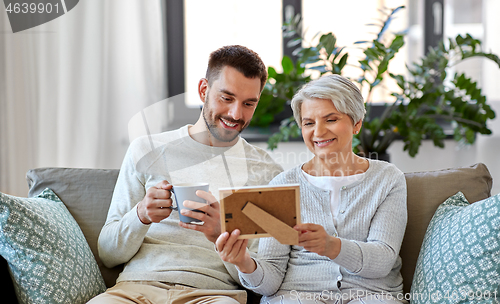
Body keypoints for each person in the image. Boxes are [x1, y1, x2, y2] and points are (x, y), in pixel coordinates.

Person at [88, 45, 283, 304]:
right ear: (204, 90)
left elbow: (260, 275)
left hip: (212, 295)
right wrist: (141, 216)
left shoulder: (267, 171)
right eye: (226, 98)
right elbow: (108, 254)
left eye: (249, 103)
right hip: (134, 289)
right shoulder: (146, 150)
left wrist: (220, 235)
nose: (236, 114)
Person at [216, 74, 408, 304]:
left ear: (356, 123)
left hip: (371, 296)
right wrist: (244, 262)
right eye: (308, 123)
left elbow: (383, 260)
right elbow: (271, 283)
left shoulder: (387, 179)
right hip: (299, 297)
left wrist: (332, 246)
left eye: (331, 119)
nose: (318, 132)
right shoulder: (282, 185)